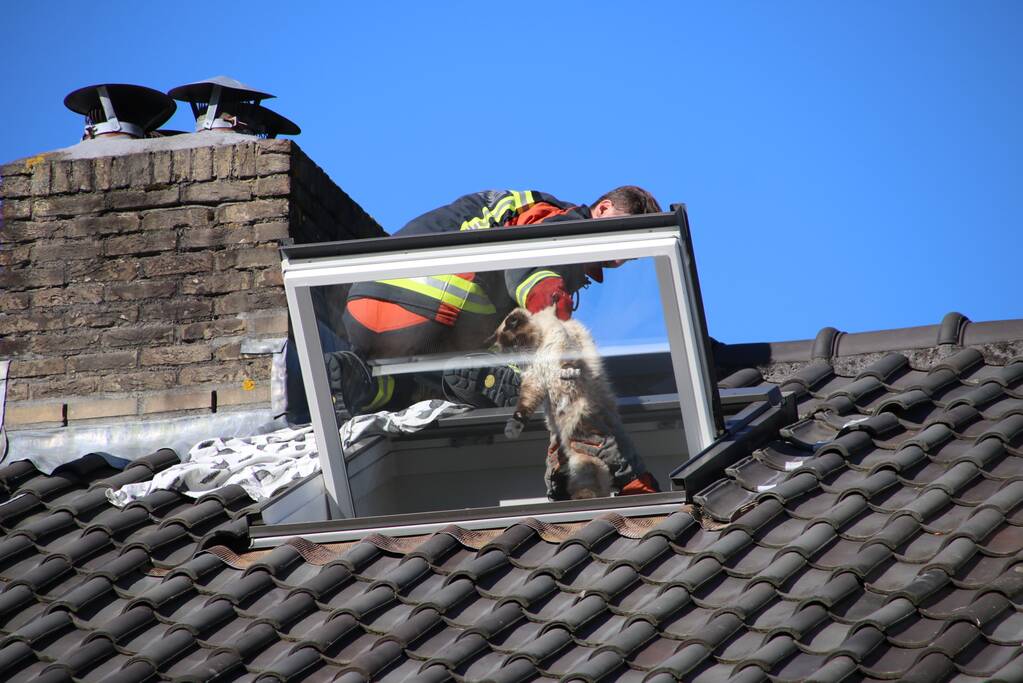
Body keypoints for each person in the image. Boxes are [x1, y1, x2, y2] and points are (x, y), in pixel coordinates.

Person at [327, 185, 661, 411]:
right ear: (601, 209)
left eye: (628, 255)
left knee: (399, 385)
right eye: (621, 239)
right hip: (429, 306)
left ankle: (362, 382)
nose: (618, 258)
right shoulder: (565, 224)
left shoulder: (522, 206)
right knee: (522, 365)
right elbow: (527, 270)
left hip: (363, 309)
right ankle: (494, 375)